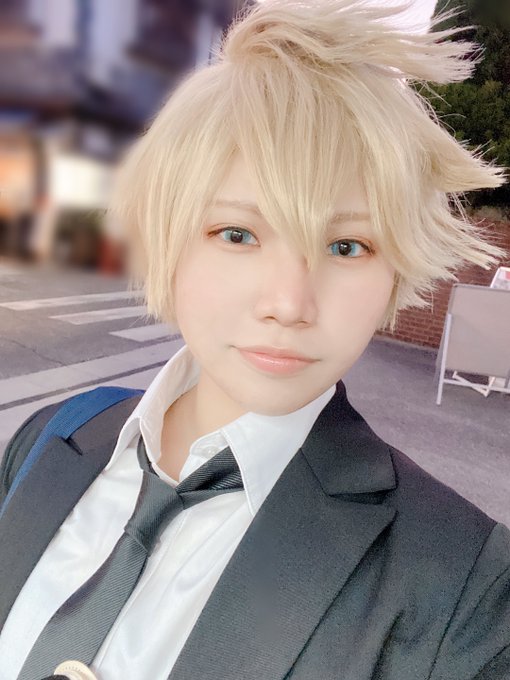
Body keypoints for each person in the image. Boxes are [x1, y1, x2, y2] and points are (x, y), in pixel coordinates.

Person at [1, 1, 509, 678]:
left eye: (347, 246)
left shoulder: (467, 590)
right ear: (167, 239)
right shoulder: (47, 439)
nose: (289, 304)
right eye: (237, 234)